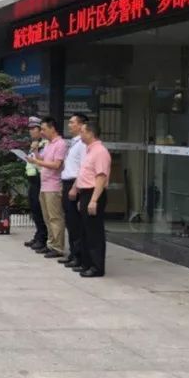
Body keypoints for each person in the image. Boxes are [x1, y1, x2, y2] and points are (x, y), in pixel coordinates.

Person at [71, 121, 111, 278]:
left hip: (95, 193)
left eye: (82, 131)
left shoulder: (100, 151)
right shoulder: (89, 151)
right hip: (86, 193)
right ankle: (87, 263)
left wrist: (94, 200)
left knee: (94, 232)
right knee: (85, 231)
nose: (80, 134)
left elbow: (101, 177)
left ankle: (97, 267)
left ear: (90, 133)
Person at [28, 117, 68, 260]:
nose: (42, 132)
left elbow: (56, 165)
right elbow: (42, 160)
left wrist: (37, 161)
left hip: (54, 185)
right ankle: (50, 244)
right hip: (44, 185)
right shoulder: (49, 144)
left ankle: (57, 246)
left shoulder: (60, 144)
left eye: (44, 129)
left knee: (55, 217)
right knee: (46, 217)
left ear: (53, 128)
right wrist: (36, 152)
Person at [61, 113, 89, 269]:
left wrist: (74, 187)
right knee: (70, 222)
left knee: (76, 223)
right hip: (67, 183)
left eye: (72, 122)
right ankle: (73, 253)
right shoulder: (74, 142)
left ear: (81, 125)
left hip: (75, 184)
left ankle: (79, 256)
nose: (69, 125)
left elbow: (83, 168)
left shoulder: (83, 144)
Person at [24, 117, 48, 252]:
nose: (31, 131)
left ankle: (43, 238)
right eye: (30, 129)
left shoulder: (44, 144)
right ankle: (38, 235)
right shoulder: (34, 144)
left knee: (40, 210)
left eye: (34, 129)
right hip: (32, 180)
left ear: (41, 130)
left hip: (41, 180)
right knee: (34, 210)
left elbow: (43, 163)